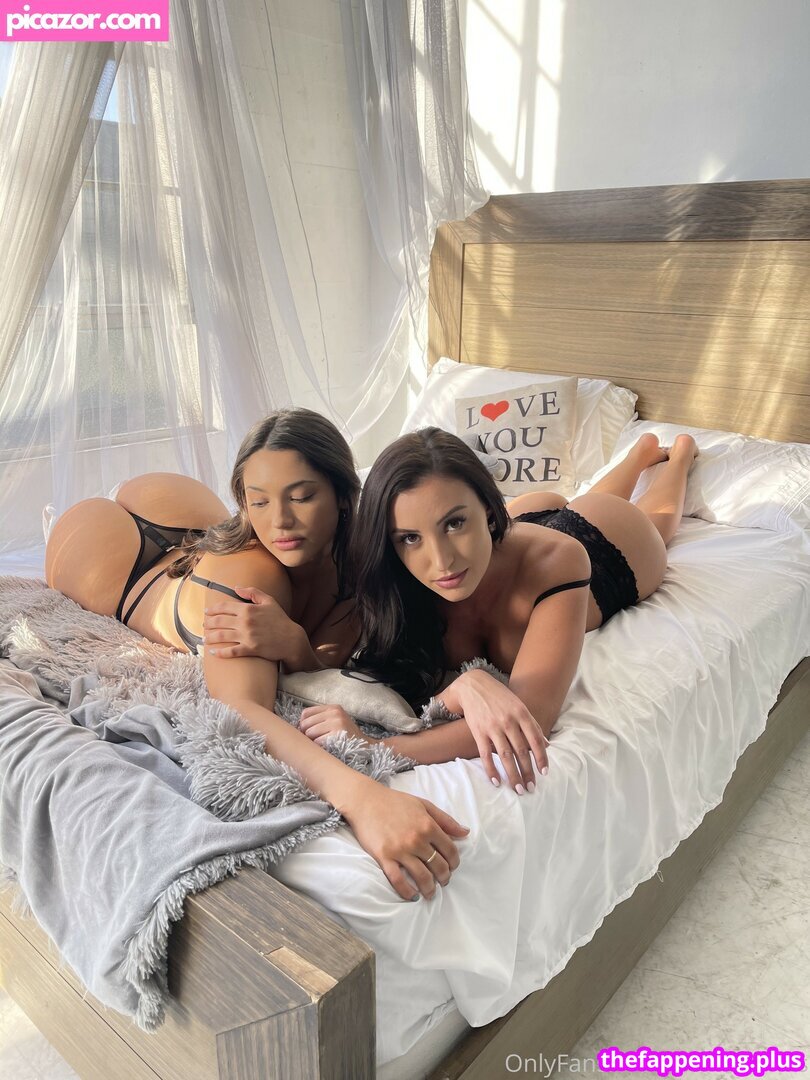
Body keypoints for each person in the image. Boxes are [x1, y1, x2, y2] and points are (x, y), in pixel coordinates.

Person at [45, 409, 469, 902]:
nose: (280, 521)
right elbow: (241, 707)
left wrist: (296, 646)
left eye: (302, 496)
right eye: (259, 501)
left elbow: (325, 663)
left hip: (182, 505)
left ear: (342, 493)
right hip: (113, 557)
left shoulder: (364, 564)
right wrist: (362, 797)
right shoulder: (252, 580)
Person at [280, 428, 697, 795]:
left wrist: (376, 747)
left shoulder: (563, 560)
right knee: (548, 508)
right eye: (409, 537)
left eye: (455, 523)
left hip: (606, 540)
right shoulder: (392, 578)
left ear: (486, 508)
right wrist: (463, 688)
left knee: (654, 521)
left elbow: (534, 716)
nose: (441, 562)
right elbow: (329, 662)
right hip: (516, 526)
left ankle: (674, 455)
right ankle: (640, 452)